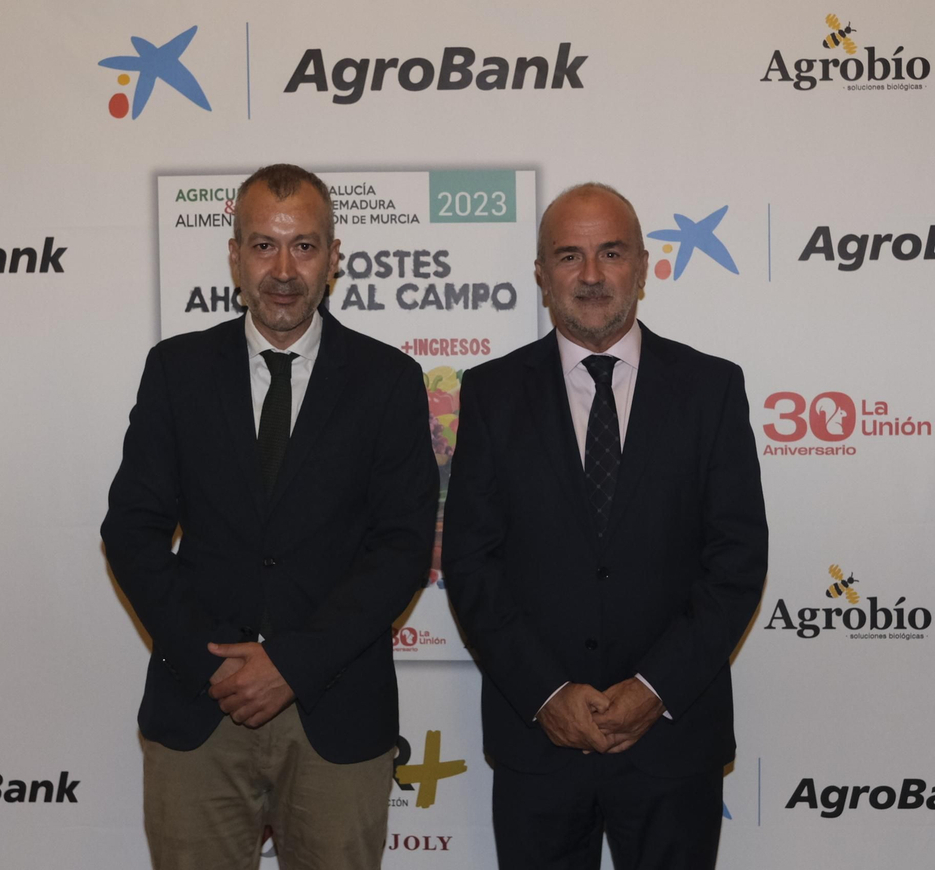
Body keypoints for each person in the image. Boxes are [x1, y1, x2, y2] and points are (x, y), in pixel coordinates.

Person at [101, 164, 439, 870]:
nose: (283, 270)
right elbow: (131, 530)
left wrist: (292, 664)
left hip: (336, 711)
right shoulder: (176, 371)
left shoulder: (387, 381)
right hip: (199, 709)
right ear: (235, 257)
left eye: (304, 246)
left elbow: (403, 548)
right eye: (263, 245)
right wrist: (213, 663)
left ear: (334, 257)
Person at [442, 183, 768, 868]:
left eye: (611, 253)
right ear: (541, 274)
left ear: (643, 267)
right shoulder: (492, 393)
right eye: (570, 256)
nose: (591, 275)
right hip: (540, 743)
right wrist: (547, 694)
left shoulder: (711, 389)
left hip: (673, 743)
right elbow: (472, 565)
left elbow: (736, 560)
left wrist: (653, 689)